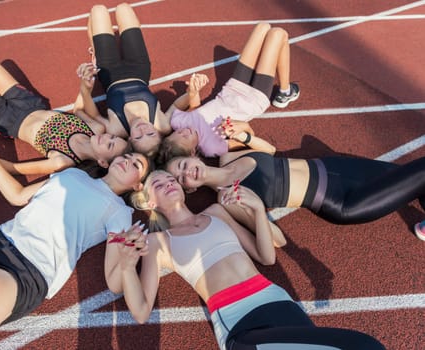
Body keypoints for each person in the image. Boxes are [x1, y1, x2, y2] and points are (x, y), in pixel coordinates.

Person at [0, 129, 151, 349]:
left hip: (22, 275)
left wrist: (128, 263)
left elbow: (114, 281)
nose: (127, 161)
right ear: (106, 162)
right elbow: (17, 195)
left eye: (136, 165)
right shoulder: (73, 174)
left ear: (138, 186)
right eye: (126, 156)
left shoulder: (119, 212)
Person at [105, 171, 385, 349]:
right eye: (158, 183)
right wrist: (128, 267)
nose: (168, 184)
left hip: (278, 302)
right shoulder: (158, 242)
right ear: (150, 202)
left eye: (170, 179)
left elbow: (266, 256)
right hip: (238, 322)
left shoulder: (217, 212)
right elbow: (141, 312)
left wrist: (257, 211)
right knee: (366, 346)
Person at [0, 41, 129, 175]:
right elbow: (78, 109)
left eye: (110, 145)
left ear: (102, 162)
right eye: (113, 137)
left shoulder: (63, 160)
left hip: (6, 118)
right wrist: (87, 82)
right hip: (28, 102)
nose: (108, 137)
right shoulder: (96, 129)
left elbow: (12, 168)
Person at [157, 22, 298, 163]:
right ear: (193, 152)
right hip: (254, 99)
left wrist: (193, 92)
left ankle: (285, 91)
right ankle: (285, 91)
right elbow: (247, 140)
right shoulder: (211, 147)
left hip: (233, 87)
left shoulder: (178, 122)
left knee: (263, 27)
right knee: (278, 34)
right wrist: (241, 127)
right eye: (185, 137)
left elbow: (195, 108)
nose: (184, 131)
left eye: (178, 132)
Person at [166, 150, 425, 225]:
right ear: (189, 189)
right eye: (181, 178)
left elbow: (266, 149)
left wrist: (244, 137)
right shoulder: (227, 199)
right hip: (340, 201)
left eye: (181, 165)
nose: (186, 172)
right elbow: (275, 242)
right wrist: (256, 209)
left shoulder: (228, 156)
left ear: (192, 156)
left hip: (337, 167)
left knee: (414, 181)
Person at [81, 3, 207, 157]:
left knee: (98, 10)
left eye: (139, 137)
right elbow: (177, 105)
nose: (143, 129)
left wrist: (85, 90)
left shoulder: (117, 129)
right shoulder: (162, 124)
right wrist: (192, 92)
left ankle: (95, 49)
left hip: (109, 72)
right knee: (123, 8)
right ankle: (102, 47)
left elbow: (94, 115)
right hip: (139, 69)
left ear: (129, 140)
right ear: (159, 134)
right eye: (151, 134)